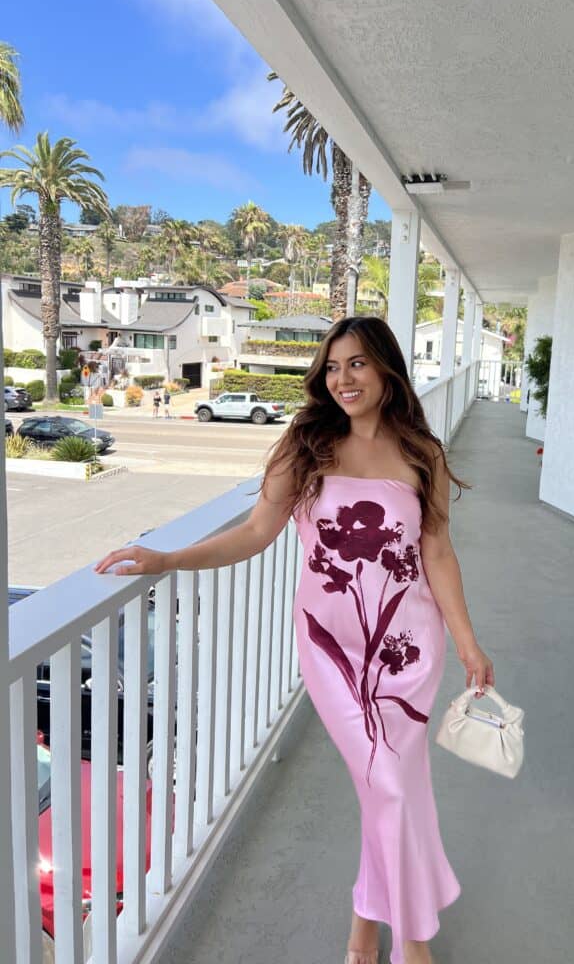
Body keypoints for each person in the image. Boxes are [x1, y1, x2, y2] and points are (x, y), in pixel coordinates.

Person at [93, 316, 494, 964]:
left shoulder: (424, 452)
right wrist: (169, 559)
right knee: (388, 782)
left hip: (408, 646)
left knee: (389, 783)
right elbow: (255, 532)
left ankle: (370, 926)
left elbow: (438, 552)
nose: (343, 379)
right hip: (332, 648)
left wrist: (469, 643)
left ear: (387, 369)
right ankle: (413, 943)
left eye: (357, 364)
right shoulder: (305, 445)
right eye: (333, 367)